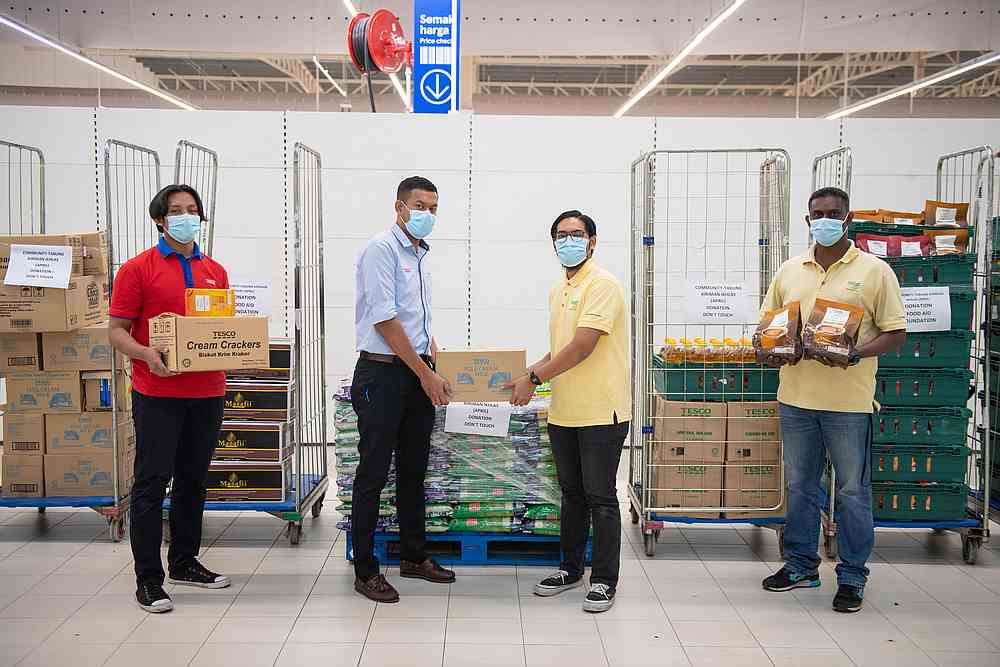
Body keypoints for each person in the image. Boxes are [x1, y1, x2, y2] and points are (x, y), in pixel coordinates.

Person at [760, 186, 906, 613]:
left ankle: (853, 576)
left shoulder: (874, 272)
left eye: (833, 213)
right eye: (817, 214)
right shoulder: (789, 271)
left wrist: (855, 351)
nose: (824, 220)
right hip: (796, 398)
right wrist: (772, 345)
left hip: (849, 403)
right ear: (807, 220)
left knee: (852, 492)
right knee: (801, 487)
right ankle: (801, 564)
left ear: (848, 217)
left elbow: (895, 333)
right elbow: (769, 322)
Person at [109, 185, 231, 614]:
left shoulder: (215, 270)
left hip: (207, 392)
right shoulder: (137, 270)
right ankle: (148, 579)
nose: (185, 217)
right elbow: (117, 330)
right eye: (176, 211)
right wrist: (145, 354)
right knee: (150, 484)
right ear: (160, 220)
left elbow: (219, 331)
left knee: (194, 481)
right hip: (157, 393)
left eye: (192, 211)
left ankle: (183, 562)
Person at [506, 210, 631, 613]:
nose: (569, 241)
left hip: (601, 411)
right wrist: (527, 374)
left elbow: (583, 346)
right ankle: (570, 568)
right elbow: (561, 350)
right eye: (561, 235)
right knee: (572, 495)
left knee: (600, 496)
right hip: (565, 411)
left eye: (577, 234)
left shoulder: (603, 285)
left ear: (593, 240)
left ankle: (605, 580)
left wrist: (535, 378)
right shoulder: (559, 289)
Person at [351, 176, 456, 603]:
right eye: (419, 205)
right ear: (399, 206)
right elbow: (385, 319)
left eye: (433, 207)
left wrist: (435, 359)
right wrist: (423, 373)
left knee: (414, 470)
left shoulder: (420, 254)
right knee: (373, 474)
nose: (426, 214)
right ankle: (365, 570)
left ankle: (414, 556)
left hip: (415, 370)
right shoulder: (381, 249)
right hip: (383, 374)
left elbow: (416, 321)